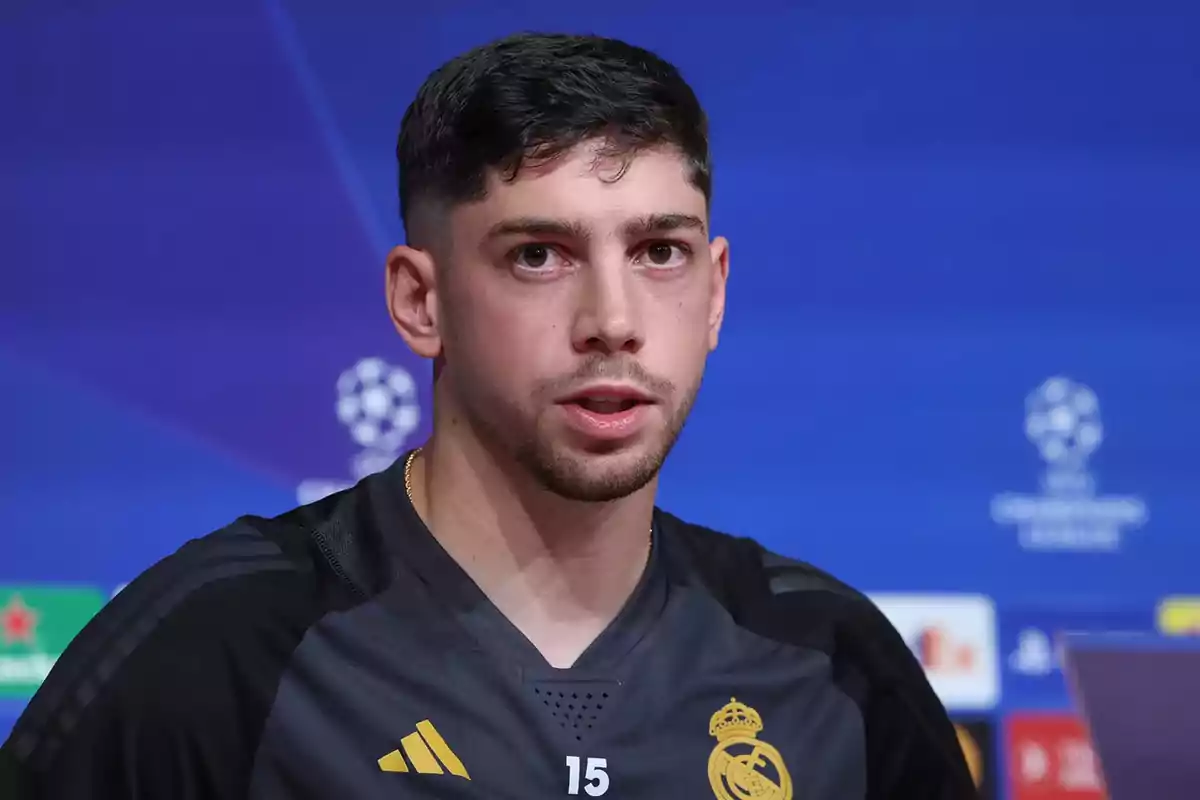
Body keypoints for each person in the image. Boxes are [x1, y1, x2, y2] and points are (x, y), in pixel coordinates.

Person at [0, 32, 978, 799]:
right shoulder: (217, 650)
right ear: (420, 301)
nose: (613, 322)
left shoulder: (831, 666)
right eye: (538, 256)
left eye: (659, 252)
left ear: (716, 290)